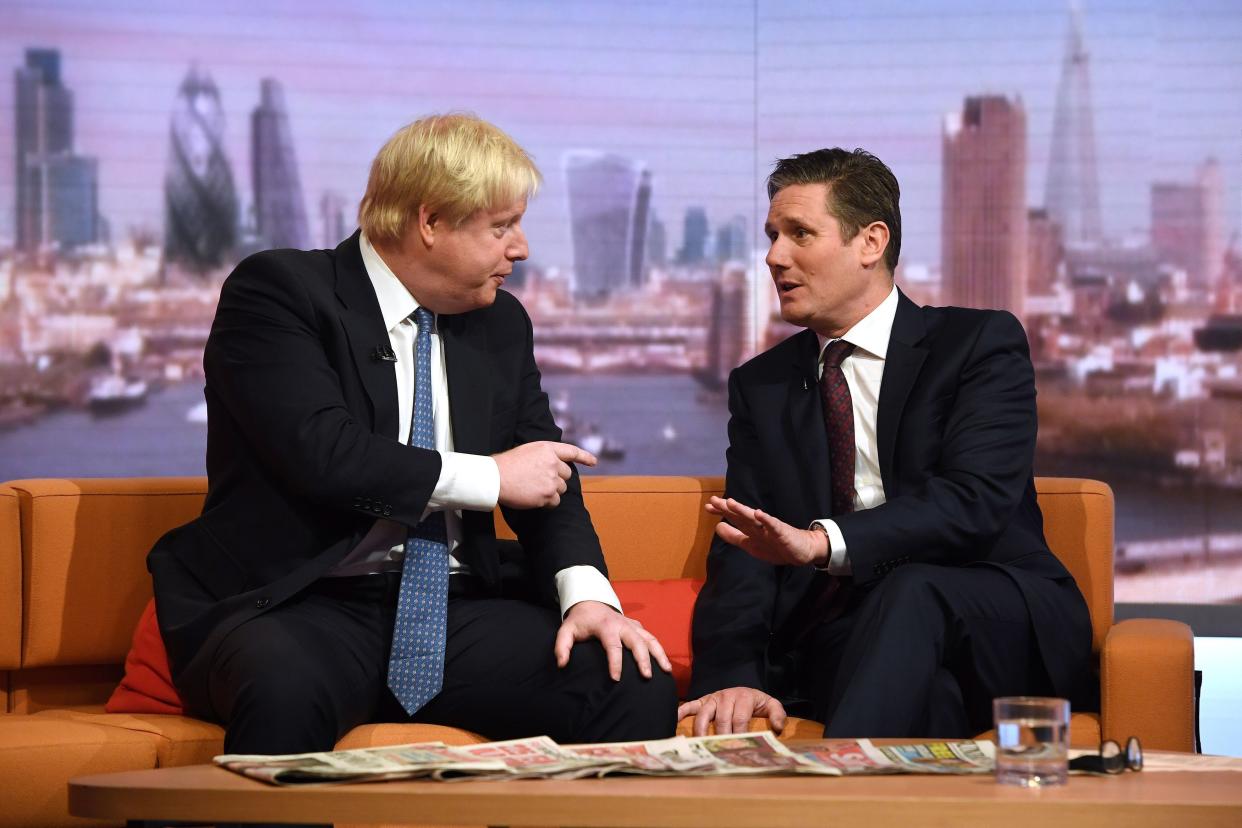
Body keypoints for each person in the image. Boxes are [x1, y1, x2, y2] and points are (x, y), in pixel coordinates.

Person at [148, 114, 676, 760]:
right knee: (283, 692)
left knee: (630, 684)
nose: (523, 248)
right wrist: (490, 478)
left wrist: (588, 597)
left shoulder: (501, 323)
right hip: (298, 602)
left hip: (452, 611)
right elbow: (324, 453)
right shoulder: (280, 292)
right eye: (502, 227)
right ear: (431, 224)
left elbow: (548, 474)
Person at [679, 148, 1096, 738]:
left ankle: (830, 807)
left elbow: (972, 502)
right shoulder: (761, 386)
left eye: (800, 233)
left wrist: (821, 543)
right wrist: (733, 673)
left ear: (871, 243)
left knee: (911, 589)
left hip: (992, 614)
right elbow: (744, 549)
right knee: (931, 700)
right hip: (852, 637)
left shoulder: (977, 344)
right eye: (772, 235)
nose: (774, 257)